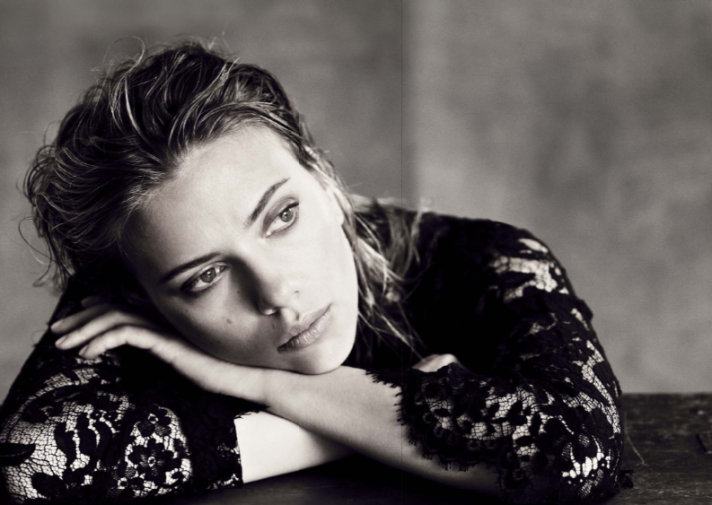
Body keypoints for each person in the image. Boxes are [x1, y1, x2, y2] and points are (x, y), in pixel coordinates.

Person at [0, 40, 624, 504]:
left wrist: (271, 388)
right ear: (142, 298)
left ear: (323, 178)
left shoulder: (485, 261)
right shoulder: (124, 301)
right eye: (204, 278)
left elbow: (579, 453)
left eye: (282, 216)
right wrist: (372, 419)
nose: (276, 292)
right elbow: (30, 467)